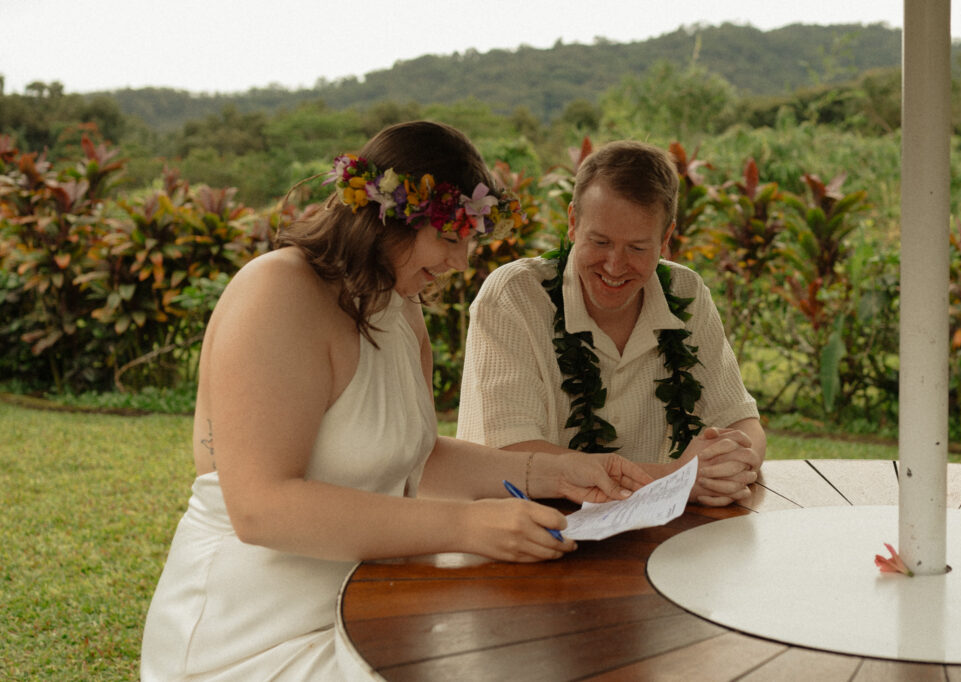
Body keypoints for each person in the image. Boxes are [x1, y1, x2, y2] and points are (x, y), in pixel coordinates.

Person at [140, 121, 652, 681]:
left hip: (371, 607)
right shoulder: (278, 292)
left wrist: (557, 472)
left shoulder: (401, 308)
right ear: (391, 216)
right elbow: (261, 507)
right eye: (451, 239)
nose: (461, 264)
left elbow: (420, 456)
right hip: (253, 633)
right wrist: (466, 527)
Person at [456, 140, 765, 507]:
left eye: (636, 248)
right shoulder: (513, 297)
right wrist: (676, 479)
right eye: (600, 241)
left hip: (651, 537)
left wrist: (732, 463)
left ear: (666, 239)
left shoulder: (687, 291)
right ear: (573, 222)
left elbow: (741, 422)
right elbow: (515, 458)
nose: (615, 266)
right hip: (523, 535)